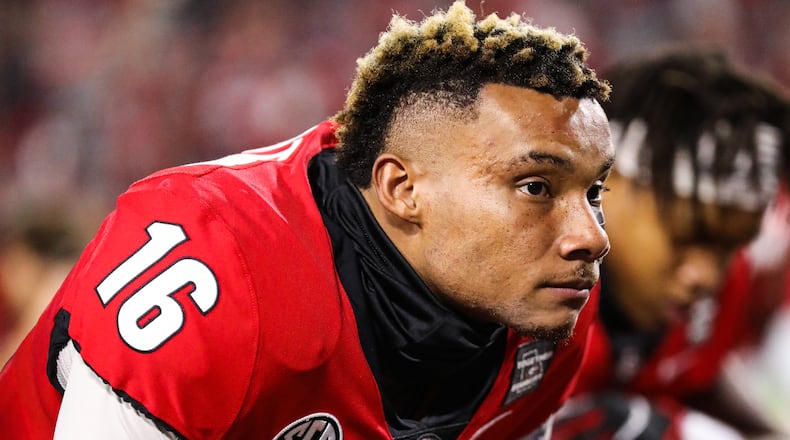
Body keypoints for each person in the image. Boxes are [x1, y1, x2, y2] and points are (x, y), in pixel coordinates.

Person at [0, 2, 615, 439]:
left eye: (593, 192)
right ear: (401, 189)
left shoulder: (544, 304)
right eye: (536, 187)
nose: (591, 237)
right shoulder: (221, 262)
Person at [551, 48, 790, 439]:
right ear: (608, 182)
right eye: (688, 237)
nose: (707, 275)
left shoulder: (726, 285)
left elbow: (694, 376)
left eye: (731, 246)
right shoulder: (520, 287)